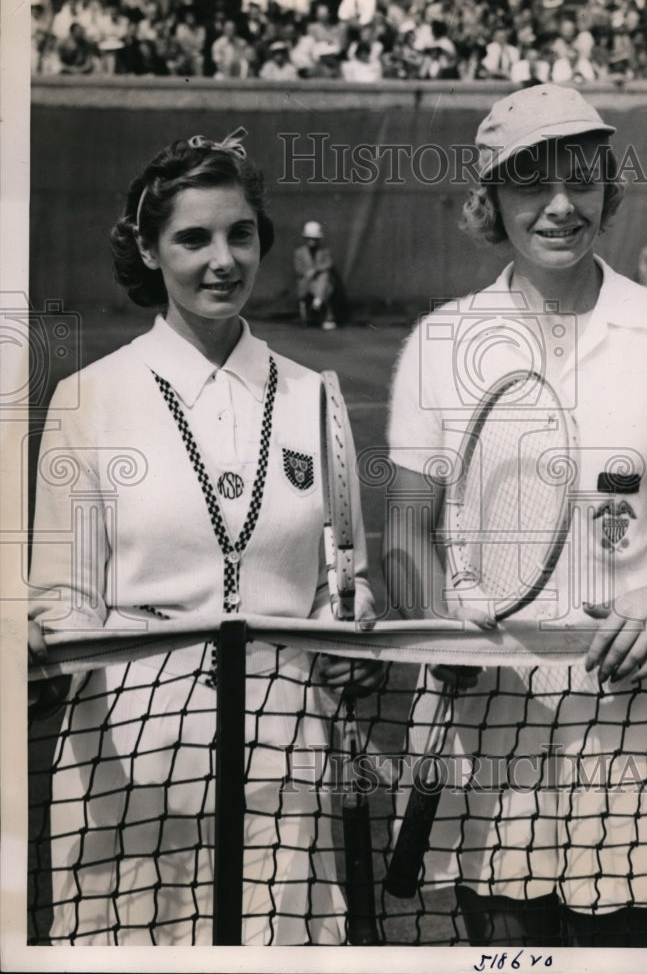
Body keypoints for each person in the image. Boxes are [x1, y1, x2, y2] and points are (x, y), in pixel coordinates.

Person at [384, 84, 647, 948]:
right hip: (489, 713)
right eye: (530, 184)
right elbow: (404, 530)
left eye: (582, 182)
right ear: (492, 201)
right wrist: (443, 620)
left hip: (637, 709)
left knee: (622, 955)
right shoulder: (443, 339)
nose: (560, 206)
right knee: (508, 955)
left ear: (607, 191)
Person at [28, 127, 378, 945]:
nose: (222, 260)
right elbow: (61, 599)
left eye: (241, 234)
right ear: (149, 250)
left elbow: (345, 580)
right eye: (192, 238)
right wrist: (37, 646)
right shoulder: (89, 398)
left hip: (282, 751)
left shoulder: (316, 396)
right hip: (127, 757)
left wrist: (353, 636)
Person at [294, 220, 340, 329]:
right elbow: (298, 270)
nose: (312, 241)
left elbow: (329, 264)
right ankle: (320, 306)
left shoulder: (324, 251)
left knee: (325, 275)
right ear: (305, 238)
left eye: (314, 238)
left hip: (319, 284)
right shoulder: (299, 253)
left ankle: (317, 302)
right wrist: (309, 273)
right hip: (306, 284)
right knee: (326, 283)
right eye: (309, 238)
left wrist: (315, 270)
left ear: (318, 239)